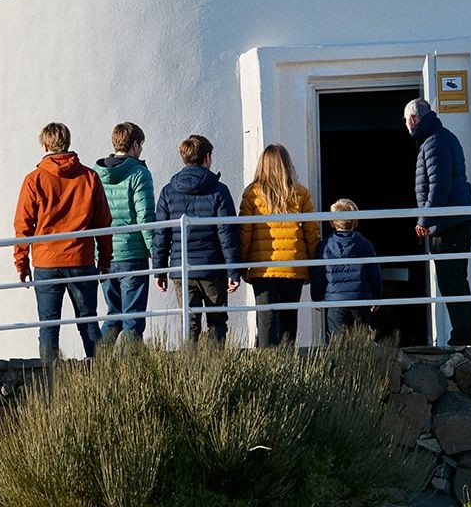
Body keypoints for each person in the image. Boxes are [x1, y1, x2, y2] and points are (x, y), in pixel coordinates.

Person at [13, 122, 113, 362]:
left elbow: (23, 225)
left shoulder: (34, 179)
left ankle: (50, 382)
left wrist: (21, 262)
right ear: (67, 142)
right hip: (81, 258)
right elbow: (103, 222)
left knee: (49, 325)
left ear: (45, 145)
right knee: (88, 320)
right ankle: (103, 377)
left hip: (47, 262)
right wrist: (105, 259)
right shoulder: (89, 177)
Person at [151, 135, 241, 343]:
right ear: (207, 158)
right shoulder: (219, 190)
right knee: (217, 322)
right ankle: (215, 370)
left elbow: (161, 234)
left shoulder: (168, 191)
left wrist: (160, 270)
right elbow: (227, 233)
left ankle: (191, 370)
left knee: (189, 323)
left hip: (182, 269)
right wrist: (233, 270)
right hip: (213, 268)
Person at [404, 97, 471, 346]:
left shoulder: (434, 142)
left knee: (452, 281)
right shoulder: (437, 138)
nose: (406, 125)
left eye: (406, 120)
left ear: (414, 119)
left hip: (450, 225)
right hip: (451, 222)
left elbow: (439, 186)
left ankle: (464, 338)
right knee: (454, 280)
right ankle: (463, 336)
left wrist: (424, 219)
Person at [238, 144, 320, 347]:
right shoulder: (300, 193)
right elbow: (311, 232)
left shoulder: (252, 194)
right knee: (288, 320)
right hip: (293, 267)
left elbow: (244, 233)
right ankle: (287, 365)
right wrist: (312, 266)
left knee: (266, 321)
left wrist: (242, 264)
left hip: (263, 269)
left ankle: (266, 367)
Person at [92, 122, 157, 342]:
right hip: (132, 255)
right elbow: (145, 217)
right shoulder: (139, 174)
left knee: (114, 316)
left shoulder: (95, 174)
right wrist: (155, 252)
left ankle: (97, 363)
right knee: (133, 320)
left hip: (105, 256)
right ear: (135, 144)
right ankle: (134, 368)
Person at [313, 198, 383, 342]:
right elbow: (374, 274)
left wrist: (317, 297)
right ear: (356, 222)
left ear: (331, 223)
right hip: (361, 301)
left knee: (337, 345)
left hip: (335, 303)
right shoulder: (366, 245)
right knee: (360, 345)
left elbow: (319, 274)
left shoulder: (325, 246)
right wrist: (377, 296)